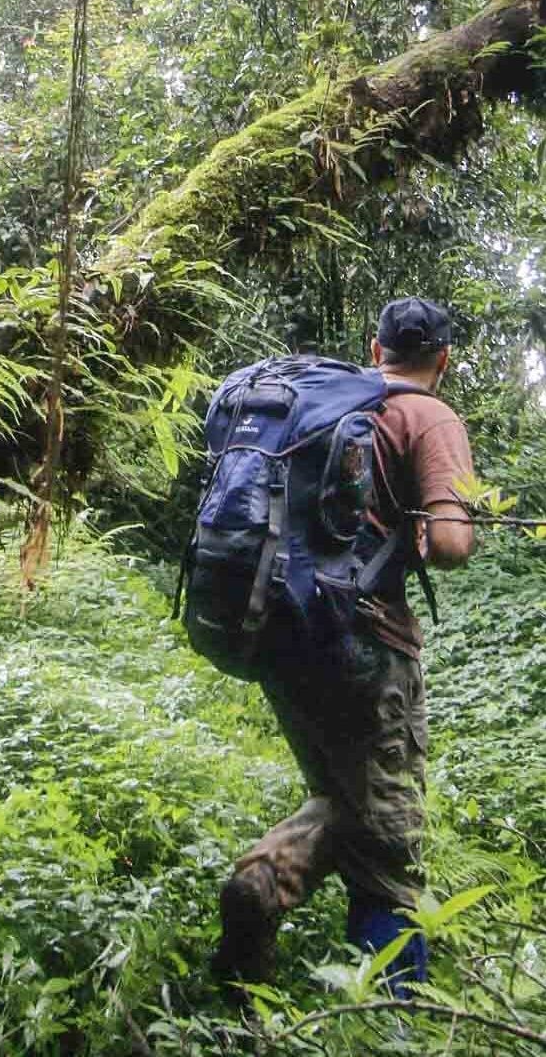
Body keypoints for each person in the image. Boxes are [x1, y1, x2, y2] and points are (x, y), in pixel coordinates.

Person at [212, 296, 477, 1000]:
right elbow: (450, 544)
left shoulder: (330, 405)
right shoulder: (429, 416)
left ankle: (264, 878)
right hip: (366, 645)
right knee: (390, 837)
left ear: (374, 348)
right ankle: (392, 1014)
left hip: (286, 634)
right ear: (442, 359)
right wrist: (433, 530)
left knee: (343, 795)